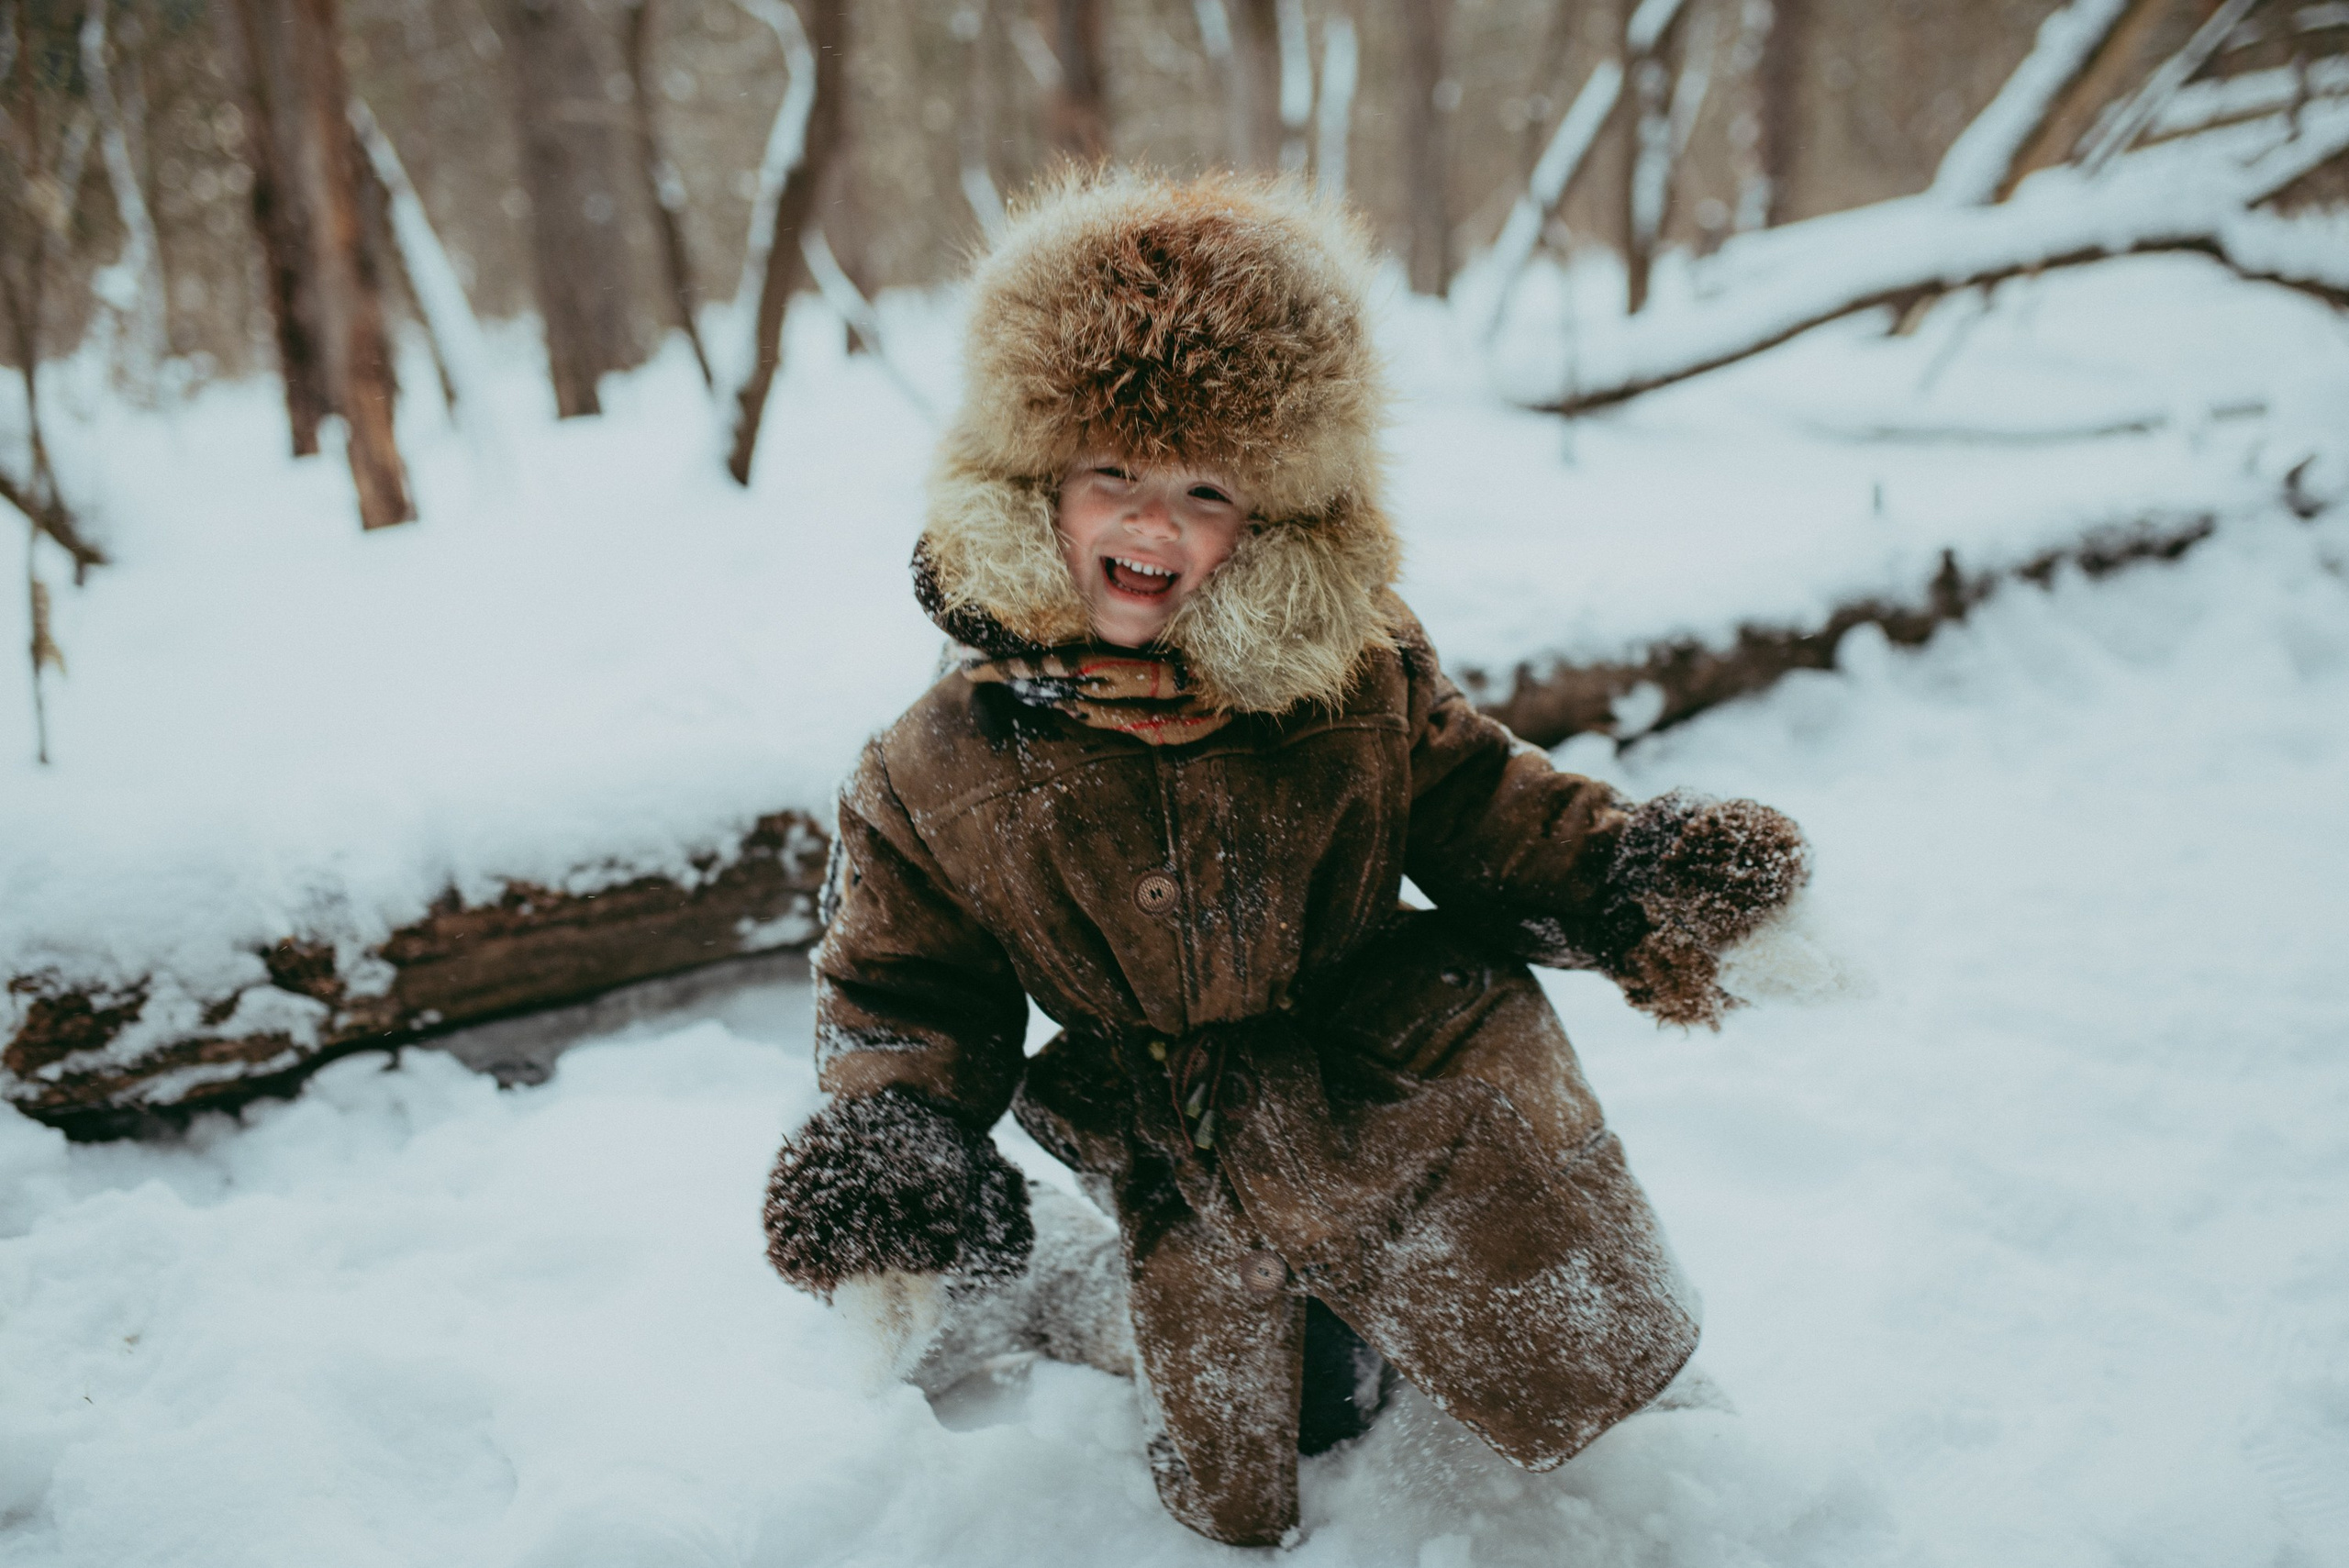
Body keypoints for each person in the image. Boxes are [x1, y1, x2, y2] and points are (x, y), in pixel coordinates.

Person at [761, 171, 1812, 1547]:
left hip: (1394, 1066)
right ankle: (1079, 1289)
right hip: (1181, 1131)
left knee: (1548, 1281)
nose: (1153, 526)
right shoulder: (942, 764)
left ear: (1273, 518)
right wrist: (896, 1127)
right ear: (1035, 486)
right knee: (1293, 1411)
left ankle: (1638, 1425)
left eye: (1208, 489)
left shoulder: (1354, 692)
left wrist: (1638, 882)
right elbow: (903, 979)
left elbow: (1493, 806)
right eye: (1114, 477)